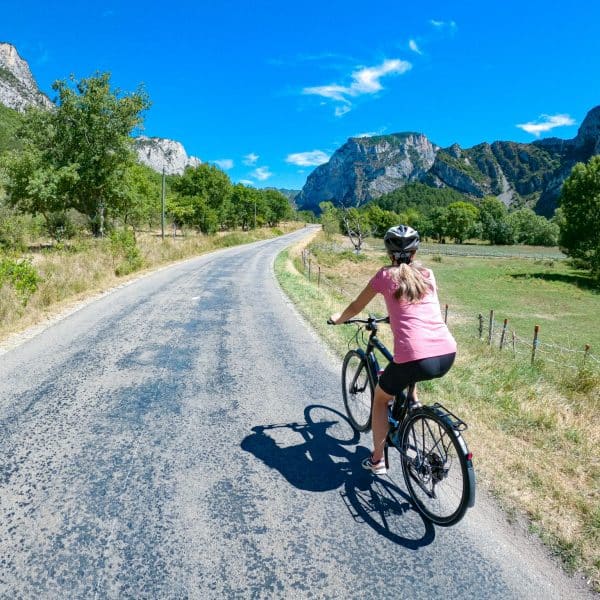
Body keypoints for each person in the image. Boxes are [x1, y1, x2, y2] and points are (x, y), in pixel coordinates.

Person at [329, 225, 457, 475]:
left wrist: (340, 318)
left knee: (380, 398)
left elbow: (356, 306)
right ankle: (413, 402)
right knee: (406, 367)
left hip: (416, 358)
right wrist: (394, 317)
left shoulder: (384, 276)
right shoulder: (428, 274)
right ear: (415, 251)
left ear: (388, 252)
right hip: (447, 352)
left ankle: (377, 461)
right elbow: (419, 310)